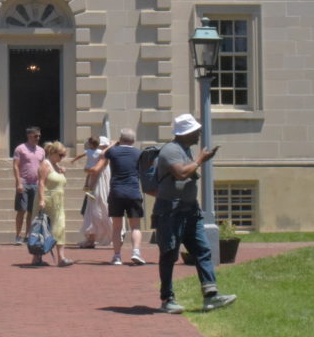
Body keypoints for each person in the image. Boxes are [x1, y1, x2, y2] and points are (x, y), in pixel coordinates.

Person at [152, 113, 236, 313]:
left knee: (202, 250)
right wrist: (200, 159)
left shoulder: (185, 149)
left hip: (190, 211)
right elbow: (181, 173)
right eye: (196, 131)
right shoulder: (170, 150)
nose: (199, 134)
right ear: (186, 132)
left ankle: (211, 296)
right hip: (170, 212)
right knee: (169, 254)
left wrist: (198, 160)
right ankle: (167, 299)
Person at [103, 128, 148, 265]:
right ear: (133, 140)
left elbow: (102, 154)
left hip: (116, 191)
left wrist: (112, 144)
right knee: (135, 226)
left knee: (117, 227)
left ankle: (117, 256)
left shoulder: (113, 151)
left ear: (120, 139)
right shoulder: (139, 153)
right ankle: (136, 252)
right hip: (133, 191)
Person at [32, 140, 74, 267]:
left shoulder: (56, 166)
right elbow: (41, 183)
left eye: (64, 156)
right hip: (48, 200)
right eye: (61, 155)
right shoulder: (45, 164)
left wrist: (61, 172)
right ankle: (36, 257)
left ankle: (61, 258)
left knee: (60, 228)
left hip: (58, 203)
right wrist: (41, 199)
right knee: (42, 228)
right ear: (53, 153)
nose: (62, 158)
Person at [10, 125, 45, 242]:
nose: (38, 138)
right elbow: (15, 166)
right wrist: (18, 182)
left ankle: (28, 235)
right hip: (24, 183)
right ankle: (18, 235)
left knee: (31, 211)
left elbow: (43, 167)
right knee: (22, 210)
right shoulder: (20, 149)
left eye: (39, 136)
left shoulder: (41, 150)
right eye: (36, 136)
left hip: (36, 183)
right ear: (29, 136)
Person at [77, 133, 110, 249]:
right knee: (90, 211)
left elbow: (94, 171)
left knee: (94, 212)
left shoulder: (102, 158)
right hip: (94, 188)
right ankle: (90, 239)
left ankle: (91, 239)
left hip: (97, 188)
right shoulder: (101, 156)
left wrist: (86, 170)